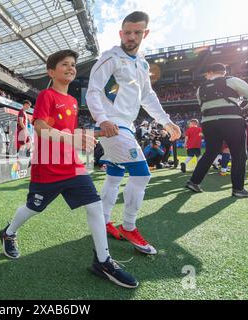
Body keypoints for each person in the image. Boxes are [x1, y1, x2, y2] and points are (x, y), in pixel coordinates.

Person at [0, 50, 139, 289]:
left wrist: (95, 133)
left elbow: (67, 133)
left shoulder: (73, 101)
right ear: (50, 71)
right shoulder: (46, 95)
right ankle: (8, 232)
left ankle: (103, 261)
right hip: (47, 166)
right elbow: (41, 128)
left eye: (73, 65)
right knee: (34, 207)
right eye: (65, 64)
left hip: (72, 165)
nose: (71, 68)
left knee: (95, 206)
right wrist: (74, 139)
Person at [86, 11, 181, 254]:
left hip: (126, 124)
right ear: (120, 33)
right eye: (127, 32)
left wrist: (167, 122)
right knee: (142, 174)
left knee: (115, 175)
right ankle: (128, 225)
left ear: (145, 33)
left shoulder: (142, 63)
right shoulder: (110, 58)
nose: (131, 37)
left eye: (137, 32)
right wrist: (103, 119)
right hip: (113, 125)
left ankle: (105, 221)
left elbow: (148, 97)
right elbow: (93, 90)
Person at [186, 63, 248, 197]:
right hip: (231, 121)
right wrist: (244, 108)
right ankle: (238, 189)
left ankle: (194, 182)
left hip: (208, 123)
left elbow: (204, 106)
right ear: (224, 72)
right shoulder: (232, 80)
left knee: (210, 152)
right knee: (239, 154)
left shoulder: (200, 88)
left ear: (210, 72)